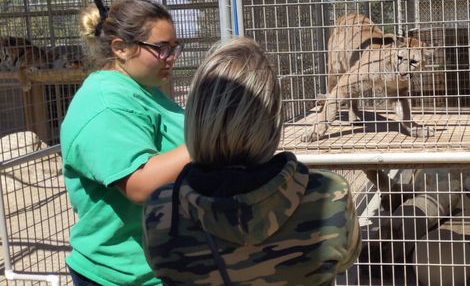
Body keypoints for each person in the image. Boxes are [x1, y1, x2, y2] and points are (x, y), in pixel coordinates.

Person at [143, 37, 361, 286]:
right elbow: (347, 258)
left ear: (197, 115)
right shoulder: (330, 194)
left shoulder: (162, 210)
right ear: (273, 117)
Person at [61, 0, 190, 285]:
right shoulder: (105, 103)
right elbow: (140, 185)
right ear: (120, 48)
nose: (171, 58)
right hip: (121, 275)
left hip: (159, 265)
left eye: (174, 47)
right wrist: (206, 141)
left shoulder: (144, 87)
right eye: (161, 49)